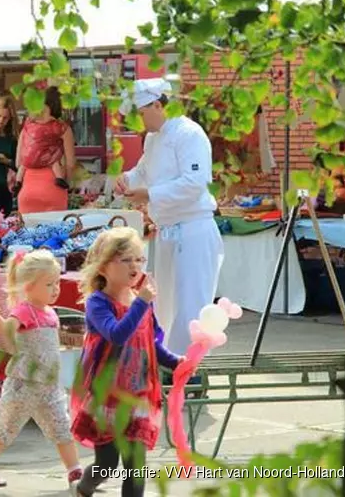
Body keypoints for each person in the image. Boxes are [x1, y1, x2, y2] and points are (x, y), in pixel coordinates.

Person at [114, 78, 224, 372]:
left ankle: (189, 369)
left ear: (158, 105)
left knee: (192, 304)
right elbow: (145, 170)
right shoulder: (153, 138)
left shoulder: (190, 134)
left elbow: (195, 183)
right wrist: (128, 179)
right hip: (167, 230)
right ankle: (165, 363)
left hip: (193, 228)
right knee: (164, 304)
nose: (139, 119)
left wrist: (149, 193)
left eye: (141, 112)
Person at [70, 227, 183, 497]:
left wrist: (177, 362)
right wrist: (142, 303)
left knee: (136, 469)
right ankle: (84, 487)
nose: (135, 266)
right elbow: (117, 334)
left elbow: (150, 343)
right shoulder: (98, 303)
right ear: (103, 267)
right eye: (126, 259)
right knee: (107, 464)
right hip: (106, 397)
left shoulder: (140, 301)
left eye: (138, 259)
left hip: (139, 395)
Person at [0, 249, 82, 489]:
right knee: (6, 425)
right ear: (29, 287)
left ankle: (75, 471)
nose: (56, 289)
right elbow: (5, 334)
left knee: (62, 426)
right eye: (49, 284)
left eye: (57, 283)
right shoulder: (24, 311)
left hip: (49, 385)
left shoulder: (51, 313)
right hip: (24, 383)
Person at [13, 86, 76, 213]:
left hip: (27, 191)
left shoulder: (27, 128)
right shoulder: (63, 128)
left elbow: (18, 162)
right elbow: (70, 164)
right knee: (55, 232)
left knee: (27, 232)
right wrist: (68, 184)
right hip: (53, 190)